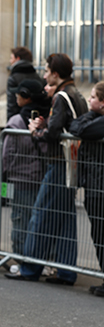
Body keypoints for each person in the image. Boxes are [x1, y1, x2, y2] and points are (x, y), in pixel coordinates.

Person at [5, 53, 88, 285]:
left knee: (40, 215)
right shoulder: (76, 93)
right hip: (70, 162)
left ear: (55, 73)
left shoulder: (61, 96)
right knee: (64, 218)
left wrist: (36, 131)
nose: (44, 75)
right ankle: (66, 271)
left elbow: (53, 134)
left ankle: (30, 268)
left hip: (59, 162)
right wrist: (47, 125)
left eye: (47, 70)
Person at [2, 79, 51, 255]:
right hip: (43, 177)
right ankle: (40, 258)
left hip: (21, 178)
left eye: (18, 93)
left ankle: (23, 258)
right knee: (41, 221)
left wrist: (4, 175)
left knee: (21, 220)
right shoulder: (45, 119)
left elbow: (6, 154)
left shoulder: (16, 121)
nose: (15, 96)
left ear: (26, 97)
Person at [70, 81, 104, 296]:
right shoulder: (96, 119)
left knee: (101, 234)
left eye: (93, 97)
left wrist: (90, 117)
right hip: (95, 186)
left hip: (99, 187)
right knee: (98, 235)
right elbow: (75, 126)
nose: (89, 99)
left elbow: (79, 128)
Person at [7, 46, 44, 120]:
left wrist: (11, 125)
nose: (10, 61)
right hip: (37, 121)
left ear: (18, 58)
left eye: (12, 58)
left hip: (19, 121)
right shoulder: (37, 76)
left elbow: (11, 106)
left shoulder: (13, 78)